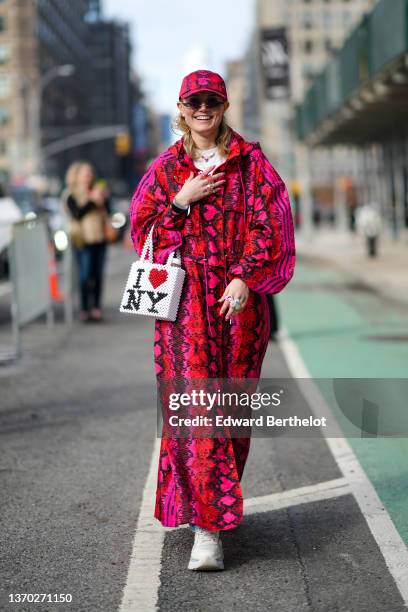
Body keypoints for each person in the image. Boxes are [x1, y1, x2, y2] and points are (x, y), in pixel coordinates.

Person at [130, 70, 296, 571]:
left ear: (223, 106)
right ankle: (208, 530)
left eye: (212, 100)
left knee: (232, 414)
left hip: (237, 307)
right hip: (183, 310)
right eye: (194, 101)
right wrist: (182, 201)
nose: (203, 108)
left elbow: (273, 221)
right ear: (180, 108)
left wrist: (246, 277)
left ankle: (208, 504)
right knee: (196, 412)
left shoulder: (251, 164)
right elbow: (143, 235)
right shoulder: (164, 171)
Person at [63, 161, 109, 322]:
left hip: (100, 238)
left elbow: (108, 212)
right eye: (85, 173)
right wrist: (92, 201)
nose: (88, 175)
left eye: (90, 172)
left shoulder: (98, 191)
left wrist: (103, 200)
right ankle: (84, 308)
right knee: (84, 275)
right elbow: (77, 214)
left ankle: (96, 306)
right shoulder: (71, 194)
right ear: (77, 175)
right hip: (82, 240)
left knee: (97, 275)